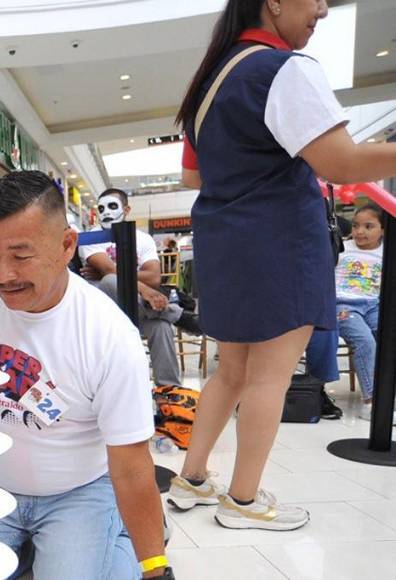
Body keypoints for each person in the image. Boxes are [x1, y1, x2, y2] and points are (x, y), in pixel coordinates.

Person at [171, 0, 396, 531]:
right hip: (279, 241)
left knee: (233, 371)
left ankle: (193, 479)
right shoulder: (284, 68)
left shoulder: (212, 76)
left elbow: (191, 177)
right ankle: (244, 502)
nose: (321, 8)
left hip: (225, 241)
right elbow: (340, 162)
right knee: (269, 376)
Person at [0, 171, 171, 580]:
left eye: (21, 256)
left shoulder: (108, 335)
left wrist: (155, 567)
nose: (2, 275)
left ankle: (121, 535)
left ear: (67, 244)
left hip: (79, 492)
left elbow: (131, 465)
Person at [78, 189, 192, 388]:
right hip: (104, 315)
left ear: (126, 209)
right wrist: (144, 289)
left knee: (161, 327)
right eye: (101, 208)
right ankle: (175, 314)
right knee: (109, 281)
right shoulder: (91, 238)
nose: (106, 212)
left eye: (112, 206)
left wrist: (111, 272)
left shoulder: (143, 238)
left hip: (138, 311)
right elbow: (109, 272)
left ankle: (169, 392)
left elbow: (154, 278)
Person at [335, 204, 386, 421]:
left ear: (383, 229)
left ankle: (387, 396)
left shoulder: (387, 251)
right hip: (344, 306)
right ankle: (371, 401)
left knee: (388, 340)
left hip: (374, 305)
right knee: (365, 342)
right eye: (356, 226)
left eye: (368, 226)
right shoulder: (342, 247)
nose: (359, 231)